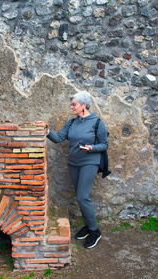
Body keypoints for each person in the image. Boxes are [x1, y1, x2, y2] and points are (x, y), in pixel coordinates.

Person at [46, 91, 108, 249]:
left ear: (84, 106)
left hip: (90, 162)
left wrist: (91, 148)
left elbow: (104, 144)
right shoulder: (72, 122)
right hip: (73, 163)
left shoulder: (97, 122)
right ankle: (88, 226)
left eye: (74, 104)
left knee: (82, 197)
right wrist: (46, 131)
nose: (71, 106)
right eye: (71, 104)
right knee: (80, 196)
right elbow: (59, 138)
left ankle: (95, 231)